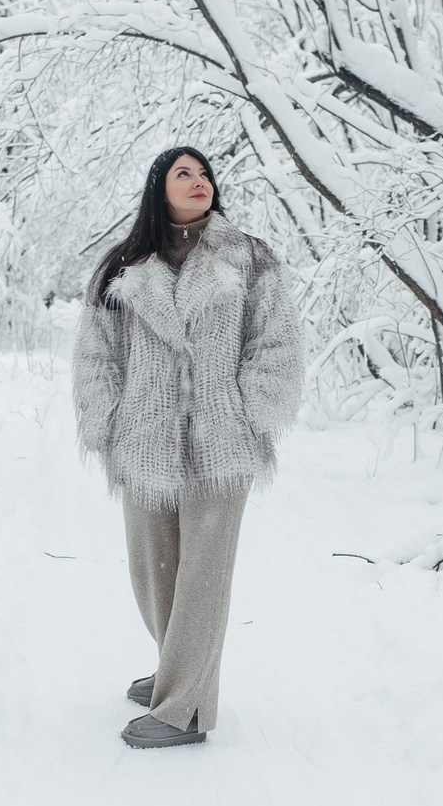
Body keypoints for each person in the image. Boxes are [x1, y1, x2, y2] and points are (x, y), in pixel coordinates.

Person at [71, 146, 304, 748]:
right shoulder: (122, 267)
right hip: (143, 438)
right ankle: (178, 669)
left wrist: (248, 414)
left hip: (220, 441)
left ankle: (184, 712)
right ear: (160, 188)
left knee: (203, 575)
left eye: (205, 174)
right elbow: (95, 356)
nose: (199, 182)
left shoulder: (249, 260)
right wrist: (109, 421)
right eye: (184, 173)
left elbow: (276, 344)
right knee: (153, 574)